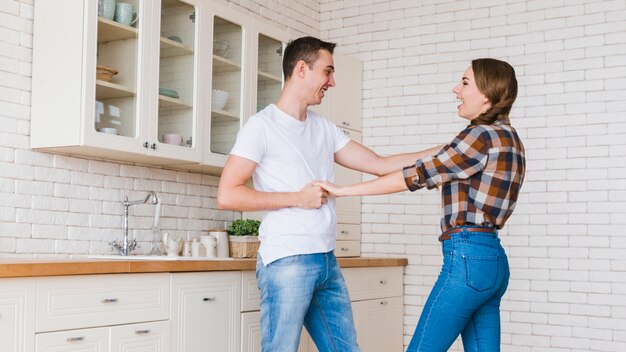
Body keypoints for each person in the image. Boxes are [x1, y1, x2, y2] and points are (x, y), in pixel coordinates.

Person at [217, 36, 441, 352]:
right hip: (287, 260)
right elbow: (228, 195)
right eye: (327, 71)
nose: (332, 82)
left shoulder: (324, 128)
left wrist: (451, 150)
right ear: (301, 69)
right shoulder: (261, 127)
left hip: (325, 260)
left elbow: (380, 165)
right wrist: (297, 198)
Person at [316, 58, 525, 352]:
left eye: (465, 83)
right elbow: (430, 160)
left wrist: (344, 190)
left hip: (467, 259)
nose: (456, 89)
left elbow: (413, 177)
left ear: (487, 95)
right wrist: (382, 166)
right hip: (493, 262)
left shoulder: (478, 136)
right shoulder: (508, 138)